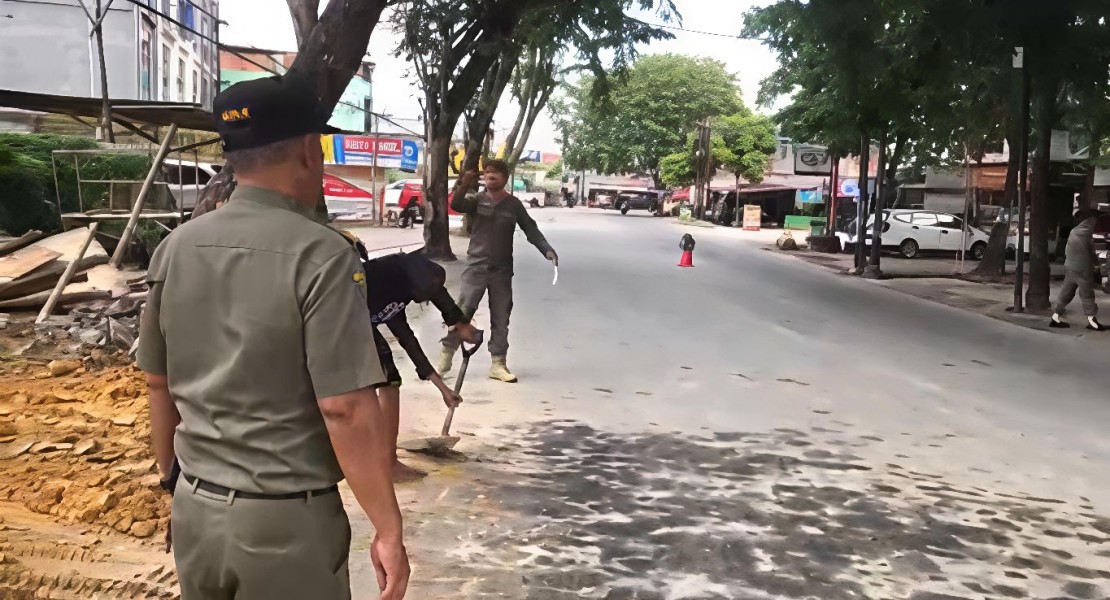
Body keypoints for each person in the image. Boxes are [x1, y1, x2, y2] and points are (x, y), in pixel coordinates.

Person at [137, 75, 409, 599]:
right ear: (310, 150)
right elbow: (346, 408)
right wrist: (388, 528)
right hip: (285, 525)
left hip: (196, 511)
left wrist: (176, 484)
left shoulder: (176, 248)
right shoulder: (323, 255)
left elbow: (157, 383)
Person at [351, 241, 482, 480]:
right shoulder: (384, 284)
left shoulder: (400, 293)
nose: (426, 300)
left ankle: (384, 458)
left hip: (359, 321)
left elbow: (409, 341)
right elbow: (427, 285)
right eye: (429, 292)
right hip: (344, 321)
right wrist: (459, 323)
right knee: (383, 381)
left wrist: (443, 389)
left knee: (389, 382)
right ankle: (385, 462)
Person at [439, 160, 558, 383]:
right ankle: (446, 355)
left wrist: (547, 250)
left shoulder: (513, 205)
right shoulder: (476, 199)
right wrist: (463, 183)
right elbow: (456, 204)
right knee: (462, 313)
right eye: (487, 173)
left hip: (501, 271)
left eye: (495, 173)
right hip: (476, 267)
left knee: (501, 316)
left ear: (505, 177)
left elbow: (530, 229)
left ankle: (498, 364)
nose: (490, 176)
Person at [1050, 209, 1105, 331]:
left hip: (1070, 267)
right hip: (1082, 269)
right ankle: (1092, 320)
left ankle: (1055, 316)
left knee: (1066, 291)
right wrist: (1097, 264)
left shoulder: (1074, 231)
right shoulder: (1087, 233)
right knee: (1087, 294)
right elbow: (1092, 252)